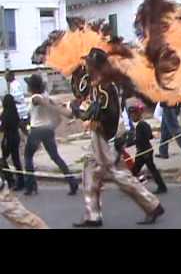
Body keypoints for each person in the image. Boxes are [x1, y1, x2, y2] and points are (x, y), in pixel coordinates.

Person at [70, 48, 164, 227]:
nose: (86, 65)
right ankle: (93, 215)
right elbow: (84, 98)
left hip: (105, 138)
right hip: (99, 136)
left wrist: (93, 116)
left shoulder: (106, 86)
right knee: (90, 173)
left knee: (120, 177)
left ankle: (152, 205)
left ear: (96, 66)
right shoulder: (97, 83)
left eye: (88, 63)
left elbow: (111, 113)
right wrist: (84, 111)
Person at [23, 74, 78, 196]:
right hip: (48, 129)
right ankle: (72, 181)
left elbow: (39, 101)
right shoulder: (46, 96)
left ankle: (30, 186)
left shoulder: (36, 97)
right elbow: (51, 104)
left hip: (37, 130)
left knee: (28, 157)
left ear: (31, 87)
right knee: (55, 157)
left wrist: (54, 107)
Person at [127, 103, 168, 194]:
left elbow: (141, 139)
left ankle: (162, 187)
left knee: (147, 170)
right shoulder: (144, 124)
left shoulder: (141, 125)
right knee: (137, 170)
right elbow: (150, 136)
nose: (132, 117)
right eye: (131, 116)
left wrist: (132, 141)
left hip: (144, 151)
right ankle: (130, 187)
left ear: (137, 114)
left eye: (133, 115)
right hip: (144, 150)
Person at [0, 94, 27, 191]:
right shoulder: (14, 112)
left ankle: (10, 179)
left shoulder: (5, 114)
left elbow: (2, 128)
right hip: (16, 137)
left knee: (2, 160)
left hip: (8, 139)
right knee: (16, 161)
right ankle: (21, 181)